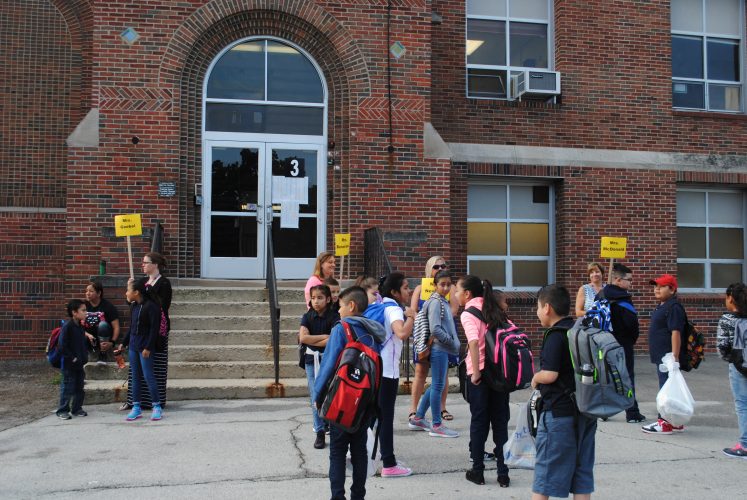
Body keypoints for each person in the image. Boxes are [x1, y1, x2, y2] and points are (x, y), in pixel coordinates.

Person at [313, 286, 387, 500]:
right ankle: (358, 496)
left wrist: (318, 396)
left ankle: (337, 496)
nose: (338, 311)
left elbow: (328, 365)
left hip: (341, 400)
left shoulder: (342, 328)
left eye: (341, 306)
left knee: (337, 452)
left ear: (352, 306)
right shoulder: (374, 333)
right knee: (359, 451)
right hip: (364, 401)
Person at [532, 284, 596, 500]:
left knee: (545, 475)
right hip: (585, 412)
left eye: (538, 307)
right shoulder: (579, 330)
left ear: (547, 307)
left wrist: (535, 378)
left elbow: (549, 374)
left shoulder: (555, 335)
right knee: (582, 475)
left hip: (559, 414)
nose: (537, 312)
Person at [455, 275, 510, 487]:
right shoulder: (494, 308)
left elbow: (473, 341)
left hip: (481, 372)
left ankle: (477, 471)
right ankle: (503, 472)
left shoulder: (469, 312)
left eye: (458, 291)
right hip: (500, 372)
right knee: (500, 421)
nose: (456, 295)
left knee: (479, 421)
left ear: (467, 294)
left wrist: (476, 372)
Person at [364, 272, 415, 477]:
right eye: (405, 287)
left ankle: (363, 455)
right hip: (387, 372)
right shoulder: (394, 308)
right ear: (394, 292)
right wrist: (411, 316)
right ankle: (389, 464)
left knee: (371, 415)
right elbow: (401, 333)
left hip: (372, 368)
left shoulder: (376, 306)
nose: (409, 290)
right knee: (385, 418)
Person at [408, 256, 459, 425]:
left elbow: (453, 310)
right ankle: (414, 410)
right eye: (436, 266)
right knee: (421, 372)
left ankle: (442, 408)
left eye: (443, 265)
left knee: (441, 375)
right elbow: (413, 311)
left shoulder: (449, 288)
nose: (440, 268)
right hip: (425, 336)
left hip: (442, 336)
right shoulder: (420, 288)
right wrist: (427, 321)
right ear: (429, 268)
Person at [121, 252, 172, 410]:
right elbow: (133, 302)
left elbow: (161, 306)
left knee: (153, 368)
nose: (142, 265)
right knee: (136, 371)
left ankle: (156, 402)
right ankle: (135, 402)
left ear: (155, 264)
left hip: (155, 330)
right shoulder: (141, 282)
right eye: (142, 262)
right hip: (139, 329)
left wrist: (148, 292)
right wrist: (130, 288)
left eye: (145, 262)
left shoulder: (164, 283)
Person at [599, 263, 645, 423]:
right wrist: (631, 340)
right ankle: (632, 412)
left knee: (605, 377)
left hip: (603, 344)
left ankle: (603, 411)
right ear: (618, 280)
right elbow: (632, 325)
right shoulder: (624, 299)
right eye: (629, 280)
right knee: (626, 377)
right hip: (623, 344)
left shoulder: (601, 296)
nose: (630, 283)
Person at [642, 274, 686, 435]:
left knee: (666, 390)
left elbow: (676, 333)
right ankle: (673, 422)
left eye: (661, 286)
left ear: (672, 289)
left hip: (667, 358)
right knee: (668, 389)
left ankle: (665, 422)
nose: (657, 289)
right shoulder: (663, 306)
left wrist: (674, 357)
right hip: (662, 357)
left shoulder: (673, 307)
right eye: (655, 286)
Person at [299, 284, 339, 449]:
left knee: (331, 392)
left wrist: (313, 338)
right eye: (313, 298)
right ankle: (320, 431)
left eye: (320, 298)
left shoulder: (334, 316)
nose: (316, 301)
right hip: (310, 358)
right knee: (315, 395)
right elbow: (303, 338)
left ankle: (332, 425)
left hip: (329, 359)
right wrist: (324, 337)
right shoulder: (307, 316)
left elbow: (333, 339)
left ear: (328, 299)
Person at [119, 278, 163, 421]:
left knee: (148, 375)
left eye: (128, 290)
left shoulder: (152, 307)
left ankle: (157, 406)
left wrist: (148, 347)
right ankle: (136, 407)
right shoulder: (134, 306)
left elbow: (154, 329)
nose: (126, 293)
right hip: (133, 345)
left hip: (145, 347)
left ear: (136, 292)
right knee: (135, 377)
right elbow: (132, 328)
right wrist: (123, 343)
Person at [716, 283, 747, 458]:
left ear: (730, 298)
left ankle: (744, 445)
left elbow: (722, 348)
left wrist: (734, 361)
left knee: (743, 405)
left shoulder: (727, 319)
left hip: (739, 367)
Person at [56, 299, 93, 420]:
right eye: (83, 310)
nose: (86, 312)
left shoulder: (80, 326)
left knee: (79, 387)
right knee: (67, 387)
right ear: (74, 312)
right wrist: (73, 358)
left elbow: (80, 343)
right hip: (69, 364)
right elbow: (62, 346)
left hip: (79, 363)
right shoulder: (68, 326)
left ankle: (77, 408)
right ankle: (63, 410)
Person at [84, 280, 121, 364]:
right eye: (86, 291)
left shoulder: (108, 306)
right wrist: (87, 335)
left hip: (103, 339)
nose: (87, 293)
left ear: (99, 293)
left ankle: (103, 354)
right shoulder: (83, 306)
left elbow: (116, 327)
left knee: (103, 324)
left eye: (91, 291)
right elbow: (77, 325)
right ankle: (81, 355)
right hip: (88, 339)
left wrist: (112, 342)